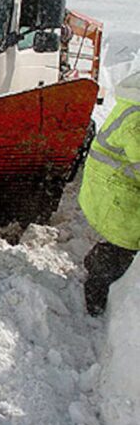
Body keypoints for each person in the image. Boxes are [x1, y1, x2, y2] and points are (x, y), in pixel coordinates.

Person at [78, 71, 140, 316]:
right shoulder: (137, 122)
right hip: (115, 199)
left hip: (112, 191)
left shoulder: (133, 107)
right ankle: (96, 288)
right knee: (126, 247)